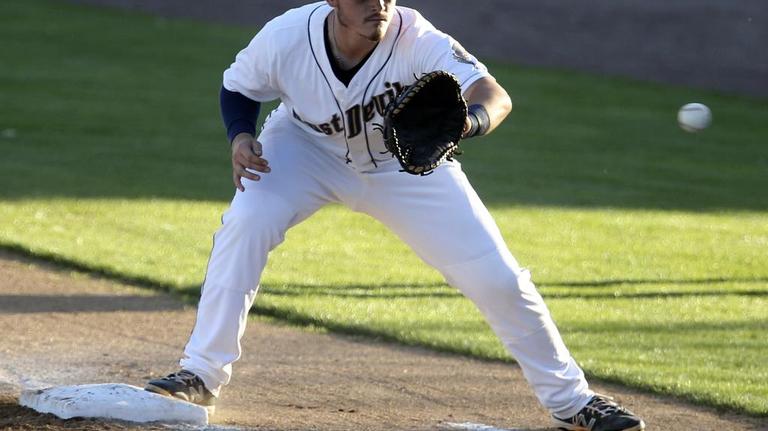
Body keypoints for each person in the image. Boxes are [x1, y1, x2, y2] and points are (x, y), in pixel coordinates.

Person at [145, 1, 645, 430]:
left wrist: (467, 123)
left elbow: (495, 95)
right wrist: (239, 137)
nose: (377, 5)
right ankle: (201, 373)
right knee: (245, 224)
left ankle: (573, 402)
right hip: (302, 149)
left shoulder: (416, 34)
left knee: (498, 277)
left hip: (402, 165)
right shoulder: (286, 36)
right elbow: (239, 87)